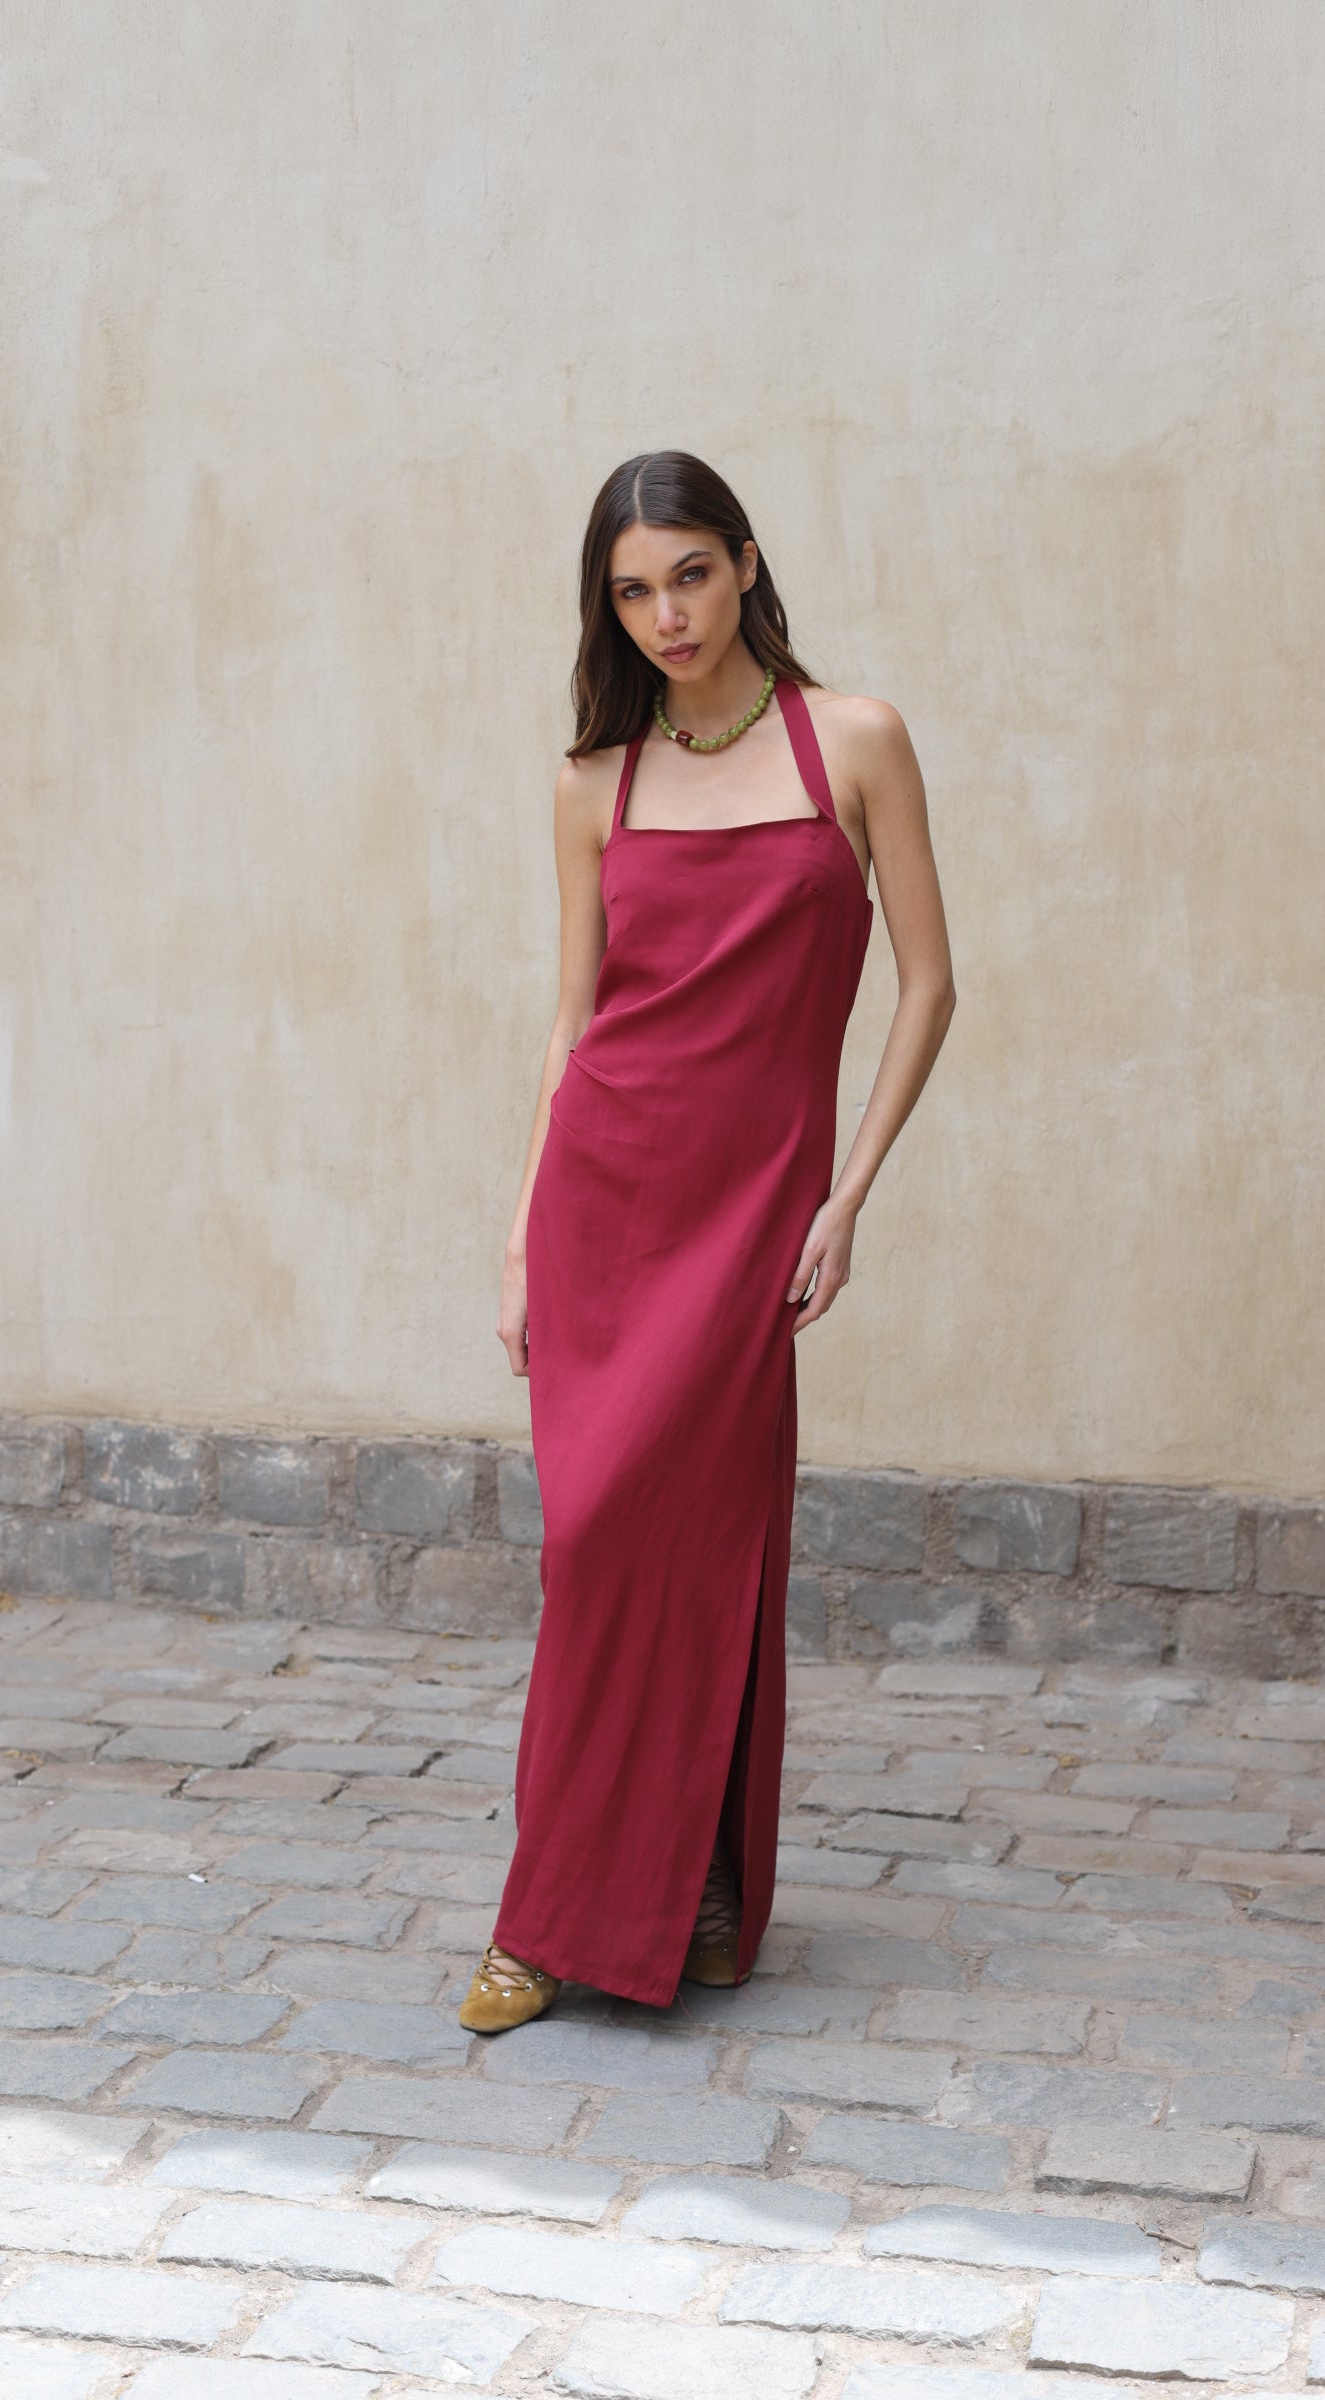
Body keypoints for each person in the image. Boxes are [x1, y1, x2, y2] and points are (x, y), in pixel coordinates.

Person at [460, 451, 955, 2033]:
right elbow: (574, 1021)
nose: (665, 615)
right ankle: (564, 1916)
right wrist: (522, 1240)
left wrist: (847, 1199)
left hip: (752, 1217)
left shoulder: (854, 740)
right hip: (603, 1205)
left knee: (711, 1535)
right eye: (631, 592)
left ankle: (698, 1885)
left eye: (688, 573)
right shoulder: (594, 782)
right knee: (596, 1546)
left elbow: (930, 985)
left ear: (744, 562)